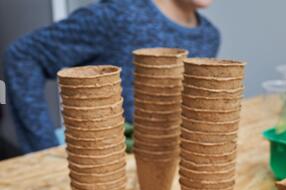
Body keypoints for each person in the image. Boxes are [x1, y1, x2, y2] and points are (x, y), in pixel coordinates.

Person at [4, 0, 220, 154]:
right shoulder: (119, 15)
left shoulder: (210, 36)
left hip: (168, 159)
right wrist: (42, 147)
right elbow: (23, 56)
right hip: (106, 159)